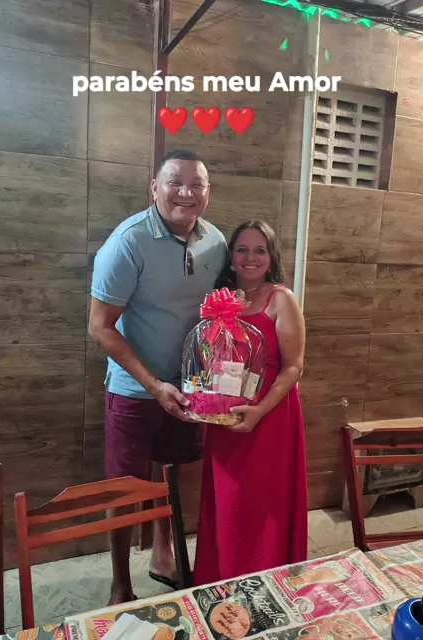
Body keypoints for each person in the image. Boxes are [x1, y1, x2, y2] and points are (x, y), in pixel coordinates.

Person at [88, 149, 227, 603]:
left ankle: (163, 553)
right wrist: (153, 385)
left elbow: (218, 313)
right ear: (154, 188)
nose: (186, 192)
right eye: (174, 182)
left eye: (196, 184)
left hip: (189, 388)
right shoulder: (127, 242)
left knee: (172, 472)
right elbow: (99, 327)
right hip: (135, 389)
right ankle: (119, 583)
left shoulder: (216, 242)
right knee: (124, 489)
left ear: (208, 192)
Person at [193, 219, 308, 585]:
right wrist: (202, 399)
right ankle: (221, 578)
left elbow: (294, 367)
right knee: (227, 503)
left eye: (260, 250)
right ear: (231, 257)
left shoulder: (281, 299)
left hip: (269, 417)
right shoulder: (220, 299)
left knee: (262, 502)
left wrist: (258, 410)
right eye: (242, 249)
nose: (250, 257)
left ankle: (266, 582)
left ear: (271, 258)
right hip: (224, 419)